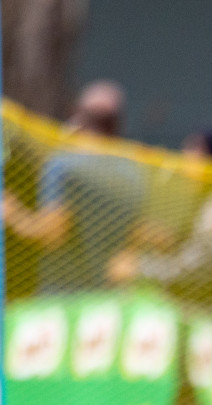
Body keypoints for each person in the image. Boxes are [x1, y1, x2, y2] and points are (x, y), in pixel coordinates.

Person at [3, 80, 145, 292]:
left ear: (78, 117)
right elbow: (136, 234)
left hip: (64, 299)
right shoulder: (132, 171)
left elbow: (54, 232)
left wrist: (15, 215)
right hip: (112, 300)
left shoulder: (63, 165)